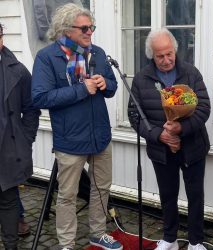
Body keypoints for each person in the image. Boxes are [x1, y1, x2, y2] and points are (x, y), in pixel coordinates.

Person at [31, 3, 122, 250]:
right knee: (67, 196)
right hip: (70, 140)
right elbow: (40, 97)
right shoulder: (47, 57)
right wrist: (82, 89)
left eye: (91, 27)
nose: (89, 32)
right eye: (84, 28)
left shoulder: (99, 53)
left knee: (101, 188)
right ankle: (67, 244)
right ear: (66, 29)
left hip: (100, 135)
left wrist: (106, 83)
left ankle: (97, 233)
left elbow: (112, 88)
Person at [128, 28, 210, 250]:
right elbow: (135, 115)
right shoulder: (141, 78)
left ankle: (195, 241)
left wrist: (179, 128)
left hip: (192, 146)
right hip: (161, 149)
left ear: (175, 50)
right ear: (151, 56)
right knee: (167, 195)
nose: (166, 60)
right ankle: (170, 238)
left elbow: (204, 109)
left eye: (169, 54)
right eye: (159, 56)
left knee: (195, 196)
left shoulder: (191, 73)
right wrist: (160, 135)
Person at [0, 23, 41, 250]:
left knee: (8, 202)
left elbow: (31, 108)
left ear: (1, 37)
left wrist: (25, 139)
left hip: (9, 149)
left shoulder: (18, 70)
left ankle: (11, 245)